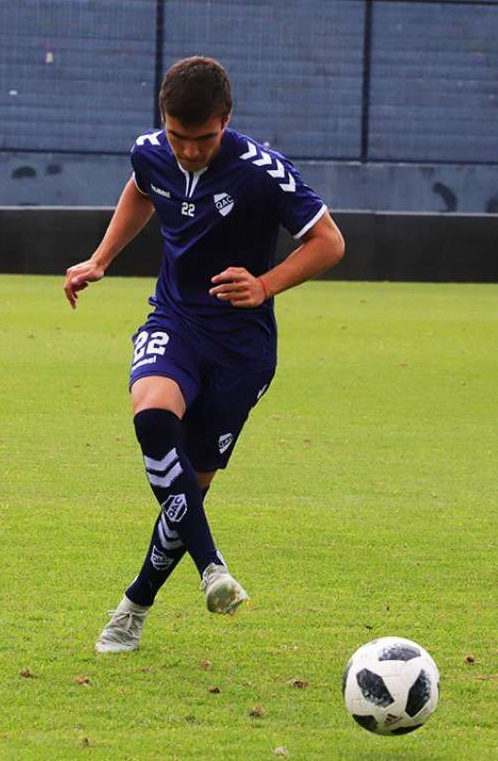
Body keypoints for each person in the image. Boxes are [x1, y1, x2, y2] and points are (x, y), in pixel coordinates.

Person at [63, 56, 344, 653]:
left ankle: (134, 605)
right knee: (153, 419)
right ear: (163, 122)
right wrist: (101, 259)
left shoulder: (263, 172)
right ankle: (212, 568)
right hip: (175, 320)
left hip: (241, 350)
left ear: (227, 121)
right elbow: (142, 189)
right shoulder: (150, 152)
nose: (188, 151)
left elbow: (329, 242)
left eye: (203, 138)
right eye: (178, 137)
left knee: (186, 490)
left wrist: (266, 284)